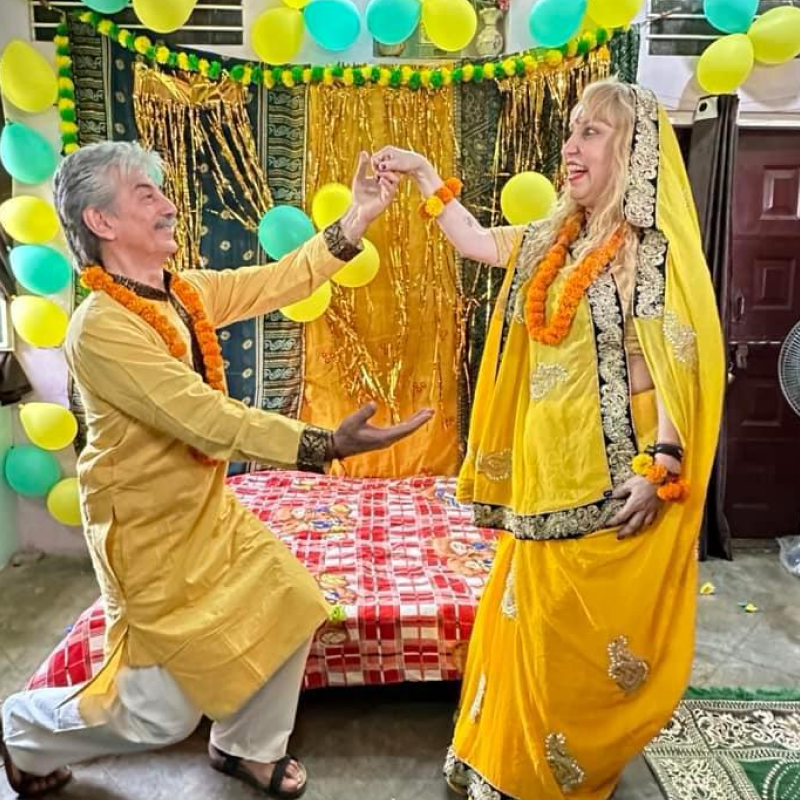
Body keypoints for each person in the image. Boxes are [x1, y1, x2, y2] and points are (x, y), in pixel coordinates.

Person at [1, 141, 432, 799]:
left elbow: (282, 279)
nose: (168, 205)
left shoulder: (184, 293)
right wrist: (323, 445)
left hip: (207, 509)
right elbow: (204, 418)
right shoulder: (101, 327)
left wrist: (358, 217)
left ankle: (245, 748)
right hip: (143, 531)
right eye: (145, 194)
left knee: (292, 602)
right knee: (158, 714)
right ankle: (21, 730)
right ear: (101, 221)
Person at [373, 78, 725, 800]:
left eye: (592, 131)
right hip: (542, 476)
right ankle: (502, 764)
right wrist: (426, 175)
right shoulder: (554, 239)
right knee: (524, 625)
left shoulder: (649, 251)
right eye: (571, 129)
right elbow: (475, 242)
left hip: (611, 480)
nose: (570, 145)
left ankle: (552, 777)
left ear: (633, 150)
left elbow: (680, 360)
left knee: (577, 643)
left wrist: (664, 462)